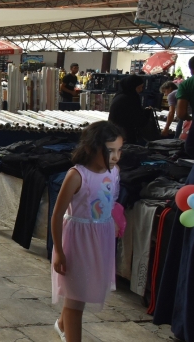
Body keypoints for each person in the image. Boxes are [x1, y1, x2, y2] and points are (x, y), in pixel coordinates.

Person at [51, 121, 123, 342]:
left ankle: (62, 324)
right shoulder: (76, 175)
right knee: (75, 299)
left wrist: (113, 221)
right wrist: (59, 251)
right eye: (110, 151)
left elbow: (111, 202)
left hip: (101, 241)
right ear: (92, 147)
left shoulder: (115, 172)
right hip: (77, 242)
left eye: (120, 150)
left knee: (81, 290)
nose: (116, 157)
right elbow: (56, 215)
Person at [108, 74, 148, 144]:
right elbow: (137, 118)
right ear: (133, 87)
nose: (141, 90)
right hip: (125, 134)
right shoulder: (131, 98)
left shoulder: (120, 95)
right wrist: (147, 113)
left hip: (114, 131)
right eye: (139, 87)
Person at [177, 56, 194, 157]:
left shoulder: (187, 84)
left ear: (191, 70)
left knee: (190, 149)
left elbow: (181, 114)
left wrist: (191, 118)